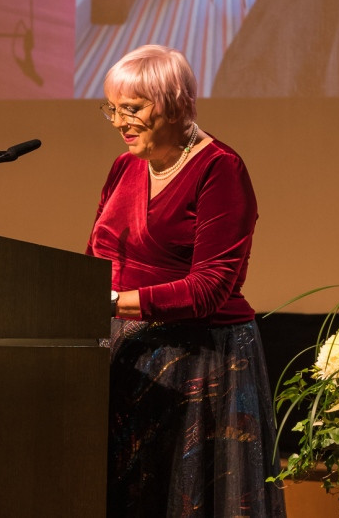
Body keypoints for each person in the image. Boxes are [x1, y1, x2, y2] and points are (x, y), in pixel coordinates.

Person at [87, 45, 286, 517]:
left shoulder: (220, 167)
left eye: (132, 109)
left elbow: (210, 286)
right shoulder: (124, 166)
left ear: (174, 103)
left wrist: (113, 301)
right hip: (127, 356)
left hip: (199, 362)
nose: (119, 122)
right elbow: (96, 256)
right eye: (112, 109)